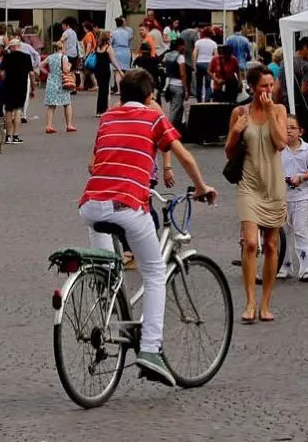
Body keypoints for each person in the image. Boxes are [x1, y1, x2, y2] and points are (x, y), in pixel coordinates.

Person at [79, 68, 218, 386]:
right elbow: (184, 157)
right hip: (127, 203)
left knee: (110, 275)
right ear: (150, 96)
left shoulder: (108, 119)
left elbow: (95, 161)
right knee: (154, 272)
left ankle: (111, 325)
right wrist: (202, 188)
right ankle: (151, 350)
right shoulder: (154, 118)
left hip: (91, 205)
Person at [226, 65, 296, 322]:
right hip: (248, 185)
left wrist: (269, 111)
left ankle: (265, 303)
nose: (268, 90)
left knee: (271, 244)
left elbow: (280, 144)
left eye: (271, 85)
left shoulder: (278, 110)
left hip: (273, 185)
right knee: (251, 243)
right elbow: (228, 151)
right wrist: (235, 132)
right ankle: (249, 302)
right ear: (252, 87)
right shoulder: (239, 112)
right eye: (263, 86)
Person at [280, 126, 308, 282]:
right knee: (282, 233)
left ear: (300, 131)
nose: (288, 131)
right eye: (286, 128)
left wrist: (302, 177)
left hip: (302, 196)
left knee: (300, 231)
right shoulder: (279, 148)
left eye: (292, 128)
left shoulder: (307, 149)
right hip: (282, 197)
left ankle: (306, 268)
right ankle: (284, 266)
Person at [0, 34, 35, 143]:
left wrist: (4, 81)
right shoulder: (26, 57)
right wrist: (33, 87)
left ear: (12, 47)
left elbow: (2, 73)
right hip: (21, 85)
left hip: (8, 86)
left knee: (8, 110)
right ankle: (15, 135)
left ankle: (8, 136)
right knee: (18, 110)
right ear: (18, 46)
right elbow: (31, 73)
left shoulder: (7, 57)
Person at [43, 40, 76, 133]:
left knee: (51, 105)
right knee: (67, 103)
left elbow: (40, 65)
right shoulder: (64, 57)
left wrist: (48, 72)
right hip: (62, 82)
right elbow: (66, 70)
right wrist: (69, 66)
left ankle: (49, 125)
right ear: (62, 48)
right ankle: (69, 124)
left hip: (51, 82)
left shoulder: (50, 57)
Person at [193, 27, 218, 101]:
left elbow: (194, 54)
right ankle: (207, 99)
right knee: (208, 83)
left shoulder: (198, 42)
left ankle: (199, 100)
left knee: (199, 84)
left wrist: (194, 65)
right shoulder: (213, 43)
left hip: (199, 63)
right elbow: (216, 55)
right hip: (209, 64)